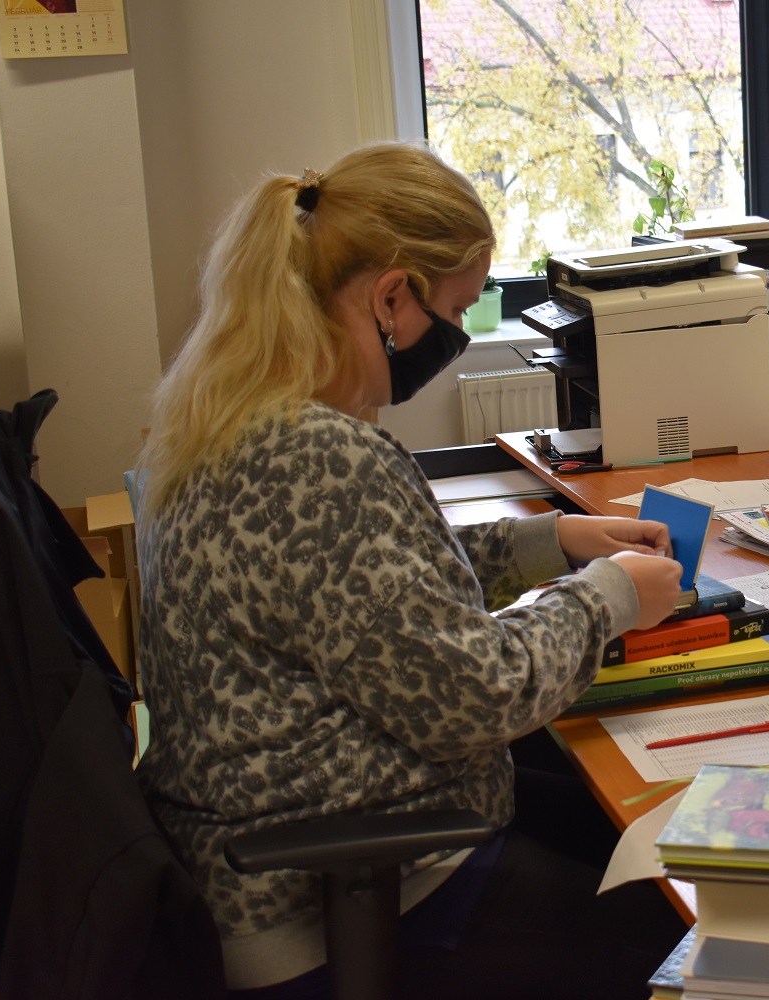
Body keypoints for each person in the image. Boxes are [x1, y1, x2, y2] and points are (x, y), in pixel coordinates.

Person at [134, 141, 689, 999]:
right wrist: (610, 597)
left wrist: (558, 541)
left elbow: (377, 592)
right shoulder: (318, 457)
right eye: (456, 310)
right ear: (392, 297)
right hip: (344, 892)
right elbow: (475, 695)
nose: (456, 339)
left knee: (616, 826)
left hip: (300, 841)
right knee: (683, 943)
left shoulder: (237, 419)